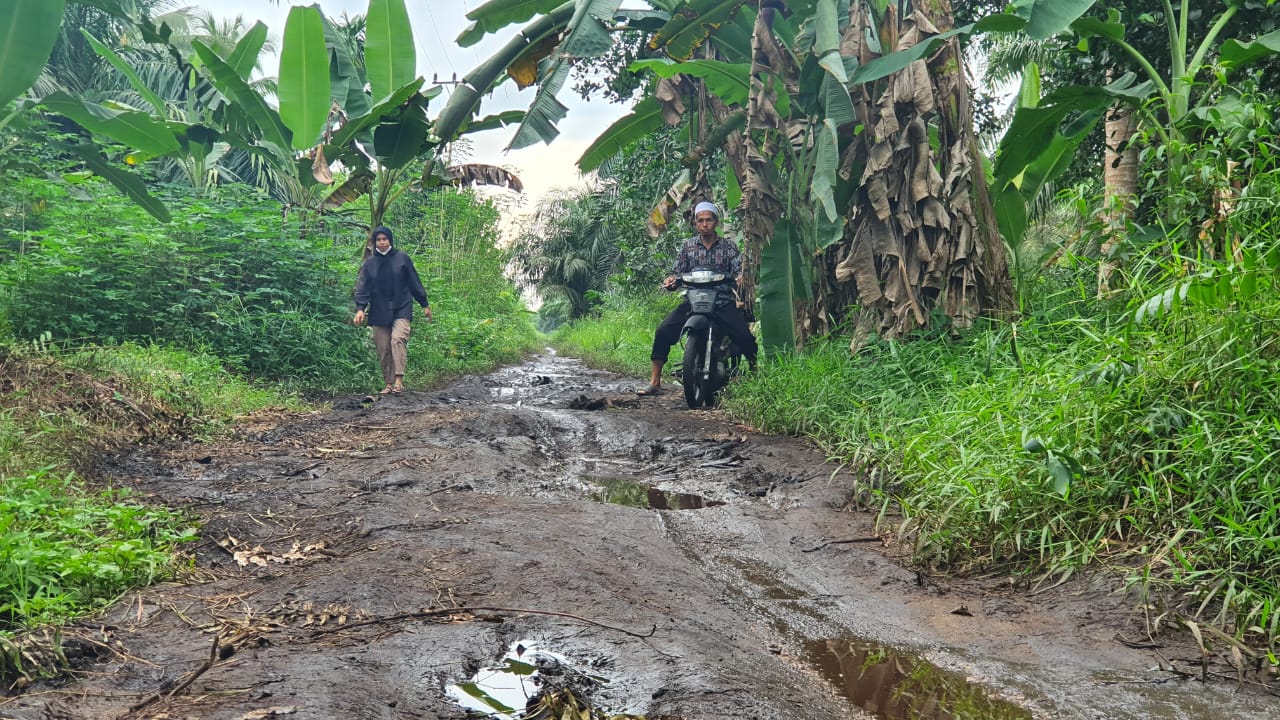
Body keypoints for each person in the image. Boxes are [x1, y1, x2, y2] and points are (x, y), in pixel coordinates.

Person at [638, 201, 758, 396]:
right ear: (695, 224)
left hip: (721, 301)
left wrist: (740, 278)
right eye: (700, 221)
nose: (704, 224)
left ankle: (755, 376)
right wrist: (671, 281)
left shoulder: (729, 247)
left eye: (708, 220)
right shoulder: (688, 247)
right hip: (693, 301)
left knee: (745, 337)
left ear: (716, 222)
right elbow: (678, 273)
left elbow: (739, 271)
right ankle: (655, 381)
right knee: (663, 331)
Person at [352, 226, 432, 395]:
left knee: (397, 339)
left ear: (390, 240)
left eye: (384, 239)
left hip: (402, 306)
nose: (382, 243)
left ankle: (398, 380)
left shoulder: (402, 259)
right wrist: (360, 308)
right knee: (383, 347)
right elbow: (363, 287)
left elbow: (414, 282)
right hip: (379, 310)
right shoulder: (370, 263)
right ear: (374, 243)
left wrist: (424, 304)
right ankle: (388, 383)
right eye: (378, 240)